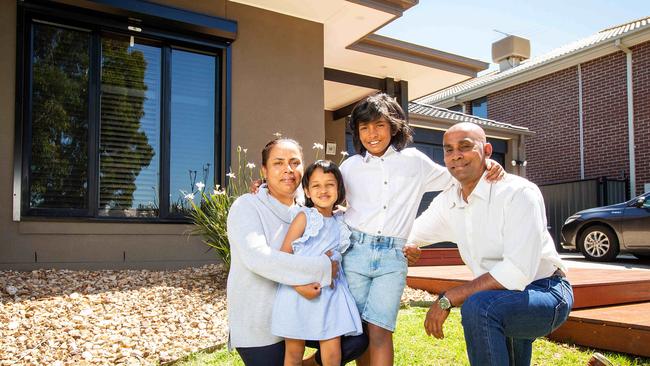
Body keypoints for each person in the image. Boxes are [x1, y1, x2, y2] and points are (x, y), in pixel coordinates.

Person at [339, 93, 505, 365]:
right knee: (358, 331)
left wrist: (486, 165)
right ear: (357, 131)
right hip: (354, 253)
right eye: (364, 127)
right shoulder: (350, 167)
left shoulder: (414, 161)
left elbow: (455, 174)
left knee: (381, 329)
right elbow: (323, 197)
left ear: (393, 127)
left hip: (393, 259)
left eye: (379, 125)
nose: (372, 134)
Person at [408, 122, 574, 366]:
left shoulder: (517, 193)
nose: (456, 156)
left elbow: (517, 271)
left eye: (465, 147)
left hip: (545, 292)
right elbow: (409, 235)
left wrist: (450, 297)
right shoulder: (448, 201)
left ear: (486, 150)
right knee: (488, 309)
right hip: (498, 298)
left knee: (479, 307)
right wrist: (407, 248)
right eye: (449, 150)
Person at [226, 139, 367, 366]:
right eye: (278, 163)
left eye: (294, 162)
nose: (288, 170)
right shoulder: (247, 206)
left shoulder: (308, 210)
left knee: (355, 341)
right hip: (261, 325)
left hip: (308, 308)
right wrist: (321, 269)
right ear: (264, 170)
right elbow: (258, 257)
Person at [272, 160, 363, 366]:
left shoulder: (342, 221)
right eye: (316, 185)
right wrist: (298, 285)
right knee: (294, 352)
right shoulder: (305, 217)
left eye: (330, 184)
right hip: (297, 293)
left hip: (331, 295)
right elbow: (283, 257)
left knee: (332, 354)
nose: (323, 190)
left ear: (339, 188)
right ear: (307, 191)